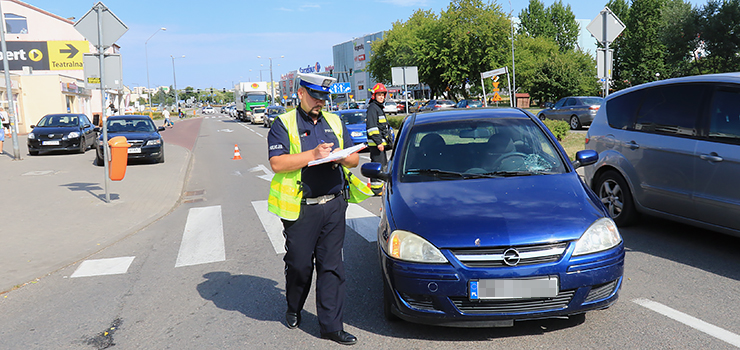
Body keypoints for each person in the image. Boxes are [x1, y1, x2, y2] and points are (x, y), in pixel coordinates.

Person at [267, 72, 371, 346]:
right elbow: (277, 163)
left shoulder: (334, 121)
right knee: (300, 265)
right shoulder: (283, 123)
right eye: (315, 97)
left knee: (332, 267)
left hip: (334, 204)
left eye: (324, 97)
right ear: (300, 93)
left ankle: (332, 326)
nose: (320, 102)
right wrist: (313, 155)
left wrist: (343, 157)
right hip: (302, 209)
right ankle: (294, 306)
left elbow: (353, 159)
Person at [365, 83, 393, 195]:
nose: (381, 97)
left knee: (382, 165)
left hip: (380, 143)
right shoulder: (373, 108)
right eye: (379, 95)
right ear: (374, 96)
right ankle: (377, 189)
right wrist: (379, 142)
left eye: (383, 95)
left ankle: (381, 188)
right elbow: (372, 128)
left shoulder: (378, 108)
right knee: (377, 166)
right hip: (377, 145)